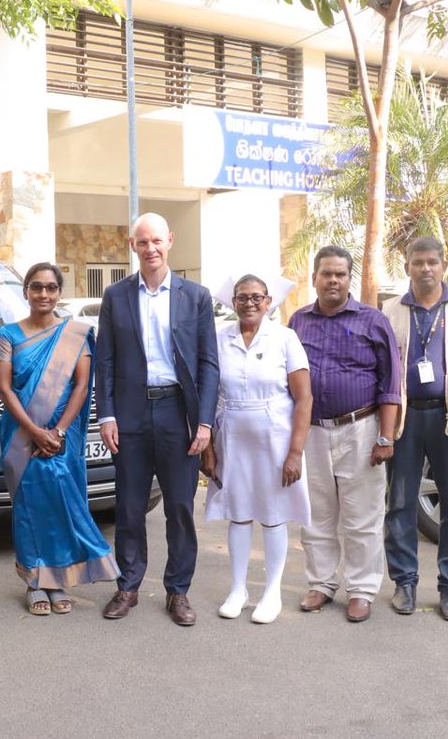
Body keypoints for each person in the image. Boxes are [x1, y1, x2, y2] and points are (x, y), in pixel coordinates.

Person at [95, 213, 219, 626]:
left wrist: (204, 422)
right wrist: (107, 415)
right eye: (142, 242)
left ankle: (178, 590)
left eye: (156, 241)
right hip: (129, 414)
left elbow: (208, 363)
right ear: (133, 245)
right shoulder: (116, 296)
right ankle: (128, 585)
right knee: (129, 506)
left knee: (180, 506)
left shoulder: (195, 296)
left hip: (177, 414)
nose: (150, 249)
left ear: (170, 241)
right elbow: (106, 361)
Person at [0, 263, 118, 615]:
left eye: (51, 287)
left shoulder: (75, 333)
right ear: (26, 292)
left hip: (64, 434)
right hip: (22, 433)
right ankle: (35, 581)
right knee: (29, 506)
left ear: (59, 292)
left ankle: (57, 578)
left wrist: (59, 431)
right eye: (36, 287)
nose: (44, 294)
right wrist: (35, 432)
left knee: (60, 502)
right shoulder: (8, 335)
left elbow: (81, 385)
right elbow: (5, 388)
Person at [288, 246, 401, 623]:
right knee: (316, 514)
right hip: (313, 432)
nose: (333, 280)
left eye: (340, 274)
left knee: (362, 516)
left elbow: (390, 383)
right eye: (326, 274)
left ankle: (362, 590)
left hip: (361, 429)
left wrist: (386, 437)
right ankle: (321, 583)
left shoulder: (373, 320)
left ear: (349, 278)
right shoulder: (298, 321)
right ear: (314, 278)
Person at [382, 237, 448, 621]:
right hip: (406, 418)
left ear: (443, 265)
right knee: (400, 503)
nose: (425, 268)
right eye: (418, 262)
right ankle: (404, 583)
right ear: (407, 267)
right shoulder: (389, 311)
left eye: (432, 261)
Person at [201, 275, 312, 625]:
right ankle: (238, 589)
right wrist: (208, 447)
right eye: (242, 297)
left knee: (273, 513)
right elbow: (209, 394)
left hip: (275, 439)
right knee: (238, 511)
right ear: (233, 301)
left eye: (256, 297)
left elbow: (304, 398)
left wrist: (295, 452)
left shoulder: (285, 338)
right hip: (232, 435)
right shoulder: (220, 339)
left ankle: (271, 592)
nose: (249, 303)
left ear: (268, 301)